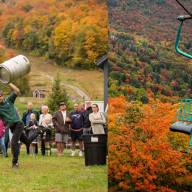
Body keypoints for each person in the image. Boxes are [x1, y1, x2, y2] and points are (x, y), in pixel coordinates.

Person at [0, 83, 43, 168]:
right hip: (11, 127)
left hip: (18, 124)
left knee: (13, 142)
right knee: (27, 142)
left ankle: (15, 163)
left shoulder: (9, 100)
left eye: (0, 96)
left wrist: (8, 82)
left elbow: (17, 91)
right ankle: (39, 131)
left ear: (2, 96)